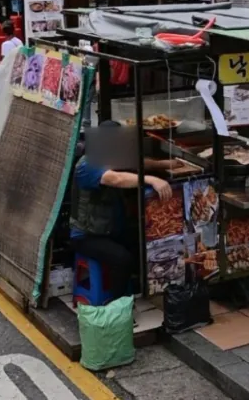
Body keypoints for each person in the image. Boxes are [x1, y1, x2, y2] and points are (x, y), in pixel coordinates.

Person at [69, 122, 180, 300]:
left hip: (111, 229)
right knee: (122, 259)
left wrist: (165, 164)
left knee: (148, 241)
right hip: (87, 236)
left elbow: (138, 163)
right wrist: (151, 180)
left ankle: (140, 286)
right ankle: (117, 306)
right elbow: (117, 179)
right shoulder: (87, 165)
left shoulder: (110, 157)